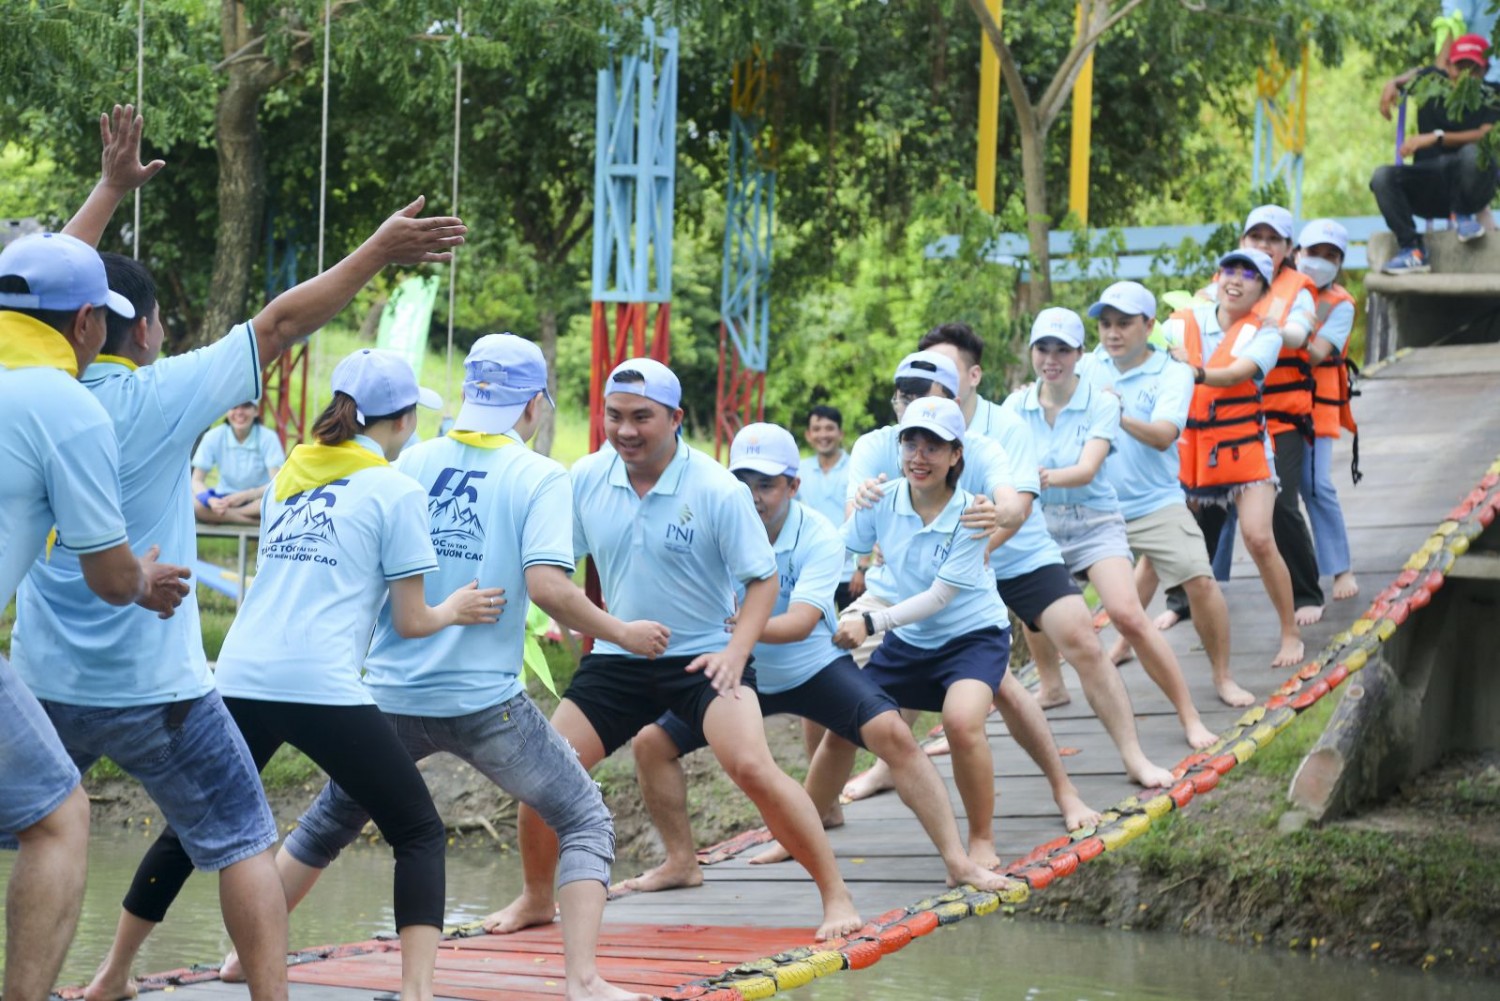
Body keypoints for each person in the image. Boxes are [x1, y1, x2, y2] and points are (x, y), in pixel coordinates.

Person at [8, 105, 470, 1001]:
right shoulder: (166, 393)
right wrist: (376, 250)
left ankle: (90, 981)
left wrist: (107, 190)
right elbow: (281, 321)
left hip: (39, 677)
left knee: (47, 827)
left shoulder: (25, 388)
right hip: (161, 688)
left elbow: (40, 291)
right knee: (242, 837)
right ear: (133, 331)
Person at [216, 335, 662, 1001]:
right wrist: (621, 629)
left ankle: (238, 957)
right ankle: (584, 979)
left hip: (390, 694)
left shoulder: (412, 459)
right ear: (535, 403)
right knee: (583, 817)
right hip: (485, 701)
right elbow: (546, 585)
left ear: (468, 396)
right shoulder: (539, 474)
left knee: (331, 821)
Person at [112, 349, 503, 1001]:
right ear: (404, 420)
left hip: (239, 673)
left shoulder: (292, 470)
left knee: (188, 827)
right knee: (418, 829)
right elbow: (410, 620)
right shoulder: (397, 490)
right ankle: (417, 992)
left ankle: (110, 974)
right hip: (319, 683)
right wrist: (455, 607)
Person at [486, 358, 864, 943]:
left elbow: (762, 581)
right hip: (618, 660)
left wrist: (738, 651)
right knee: (544, 771)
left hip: (703, 658)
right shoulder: (584, 478)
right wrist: (615, 631)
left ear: (676, 418)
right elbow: (555, 575)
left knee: (753, 768)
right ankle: (538, 898)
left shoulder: (715, 487)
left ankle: (835, 895)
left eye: (642, 417)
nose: (626, 430)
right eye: (614, 416)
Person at [624, 422, 1016, 891]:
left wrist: (738, 630)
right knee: (651, 744)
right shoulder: (701, 525)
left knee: (893, 733)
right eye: (741, 483)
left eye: (766, 484)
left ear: (793, 485)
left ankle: (959, 860)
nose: (752, 496)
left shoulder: (818, 535)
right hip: (734, 672)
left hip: (809, 666)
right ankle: (681, 862)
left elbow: (803, 622)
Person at [0, 226, 189, 1001]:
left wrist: (109, 189)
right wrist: (144, 579)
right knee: (58, 815)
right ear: (87, 325)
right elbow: (109, 576)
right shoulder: (62, 405)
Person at [836, 352, 1108, 842]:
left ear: (954, 399)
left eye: (927, 395)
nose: (913, 405)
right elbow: (854, 529)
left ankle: (1060, 790)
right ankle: (821, 813)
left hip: (968, 585)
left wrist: (991, 520)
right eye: (904, 395)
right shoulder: (878, 446)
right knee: (829, 676)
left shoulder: (981, 444)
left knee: (992, 690)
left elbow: (1012, 505)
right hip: (894, 587)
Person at [912, 327, 1180, 788]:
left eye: (947, 369)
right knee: (914, 652)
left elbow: (1019, 504)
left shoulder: (1007, 425)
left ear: (973, 375)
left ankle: (1134, 755)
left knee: (1083, 640)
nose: (936, 380)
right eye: (926, 370)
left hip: (1019, 554)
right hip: (954, 566)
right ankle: (886, 765)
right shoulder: (912, 430)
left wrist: (970, 554)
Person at [1003, 309, 1217, 749]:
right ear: (1031, 352)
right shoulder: (1014, 406)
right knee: (1034, 610)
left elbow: (1086, 470)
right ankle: (1051, 686)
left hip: (1095, 523)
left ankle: (1189, 714)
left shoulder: (1101, 402)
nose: (1051, 358)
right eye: (1043, 348)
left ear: (1081, 353)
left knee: (1127, 614)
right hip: (1040, 526)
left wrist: (1031, 478)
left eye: (1062, 348)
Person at [1078, 283, 1250, 708]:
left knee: (1201, 581)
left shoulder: (1173, 371)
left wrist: (1117, 414)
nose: (1112, 333)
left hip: (1154, 503)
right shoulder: (1085, 366)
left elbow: (1163, 436)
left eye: (1123, 324)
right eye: (1105, 324)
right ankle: (1051, 684)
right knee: (1034, 584)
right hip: (1093, 505)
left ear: (1149, 325)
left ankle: (1222, 677)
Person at [1165, 206, 1325, 628]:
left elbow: (1299, 333)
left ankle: (1306, 593)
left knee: (1281, 509)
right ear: (1242, 242)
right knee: (1200, 512)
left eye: (1274, 239)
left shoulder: (1297, 292)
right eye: (1256, 237)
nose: (1264, 245)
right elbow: (1185, 321)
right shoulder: (1224, 284)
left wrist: (1266, 324)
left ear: (1289, 249)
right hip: (1216, 421)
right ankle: (1183, 600)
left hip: (1278, 416)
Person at [1158, 249, 1304, 669]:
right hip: (1194, 448)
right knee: (1159, 543)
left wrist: (1194, 372)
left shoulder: (1267, 331)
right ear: (1217, 277)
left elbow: (1238, 374)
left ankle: (1289, 631)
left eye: (1249, 274)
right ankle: (1128, 636)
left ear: (1262, 288)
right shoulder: (1180, 322)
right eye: (1229, 270)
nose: (1236, 279)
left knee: (1259, 538)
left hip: (1245, 448)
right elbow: (1139, 350)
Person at [1373, 32, 1499, 271]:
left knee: (1475, 153)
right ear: (1449, 66)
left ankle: (1462, 214)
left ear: (1485, 71)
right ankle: (1412, 248)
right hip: (1431, 185)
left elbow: (1486, 134)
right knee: (1382, 177)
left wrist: (1436, 137)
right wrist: (1393, 83)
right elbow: (1413, 76)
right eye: (1461, 66)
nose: (1466, 76)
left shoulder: (1493, 95)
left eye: (1474, 69)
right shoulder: (1431, 82)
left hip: (1472, 186)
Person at [1294, 219, 1362, 602]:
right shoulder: (1274, 290)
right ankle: (1211, 578)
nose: (1320, 261)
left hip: (1315, 406)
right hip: (1270, 403)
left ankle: (1340, 567)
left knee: (1316, 485)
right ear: (1297, 252)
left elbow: (1317, 353)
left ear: (1339, 263)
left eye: (1330, 256)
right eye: (1313, 253)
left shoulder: (1340, 304)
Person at [798, 404, 861, 609]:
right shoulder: (800, 470)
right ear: (808, 435)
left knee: (853, 635)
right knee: (810, 633)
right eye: (817, 429)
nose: (823, 434)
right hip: (812, 569)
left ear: (840, 433)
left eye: (829, 428)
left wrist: (863, 568)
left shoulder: (856, 467)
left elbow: (868, 516)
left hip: (850, 572)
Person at [191, 401, 285, 524]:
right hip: (224, 499)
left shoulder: (268, 437)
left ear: (256, 411)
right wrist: (210, 500)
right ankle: (251, 522)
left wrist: (247, 495)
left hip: (257, 498)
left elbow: (277, 483)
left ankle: (229, 517)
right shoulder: (213, 436)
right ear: (227, 411)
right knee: (194, 504)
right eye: (234, 407)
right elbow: (196, 480)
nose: (239, 412)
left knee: (276, 502)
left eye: (246, 406)